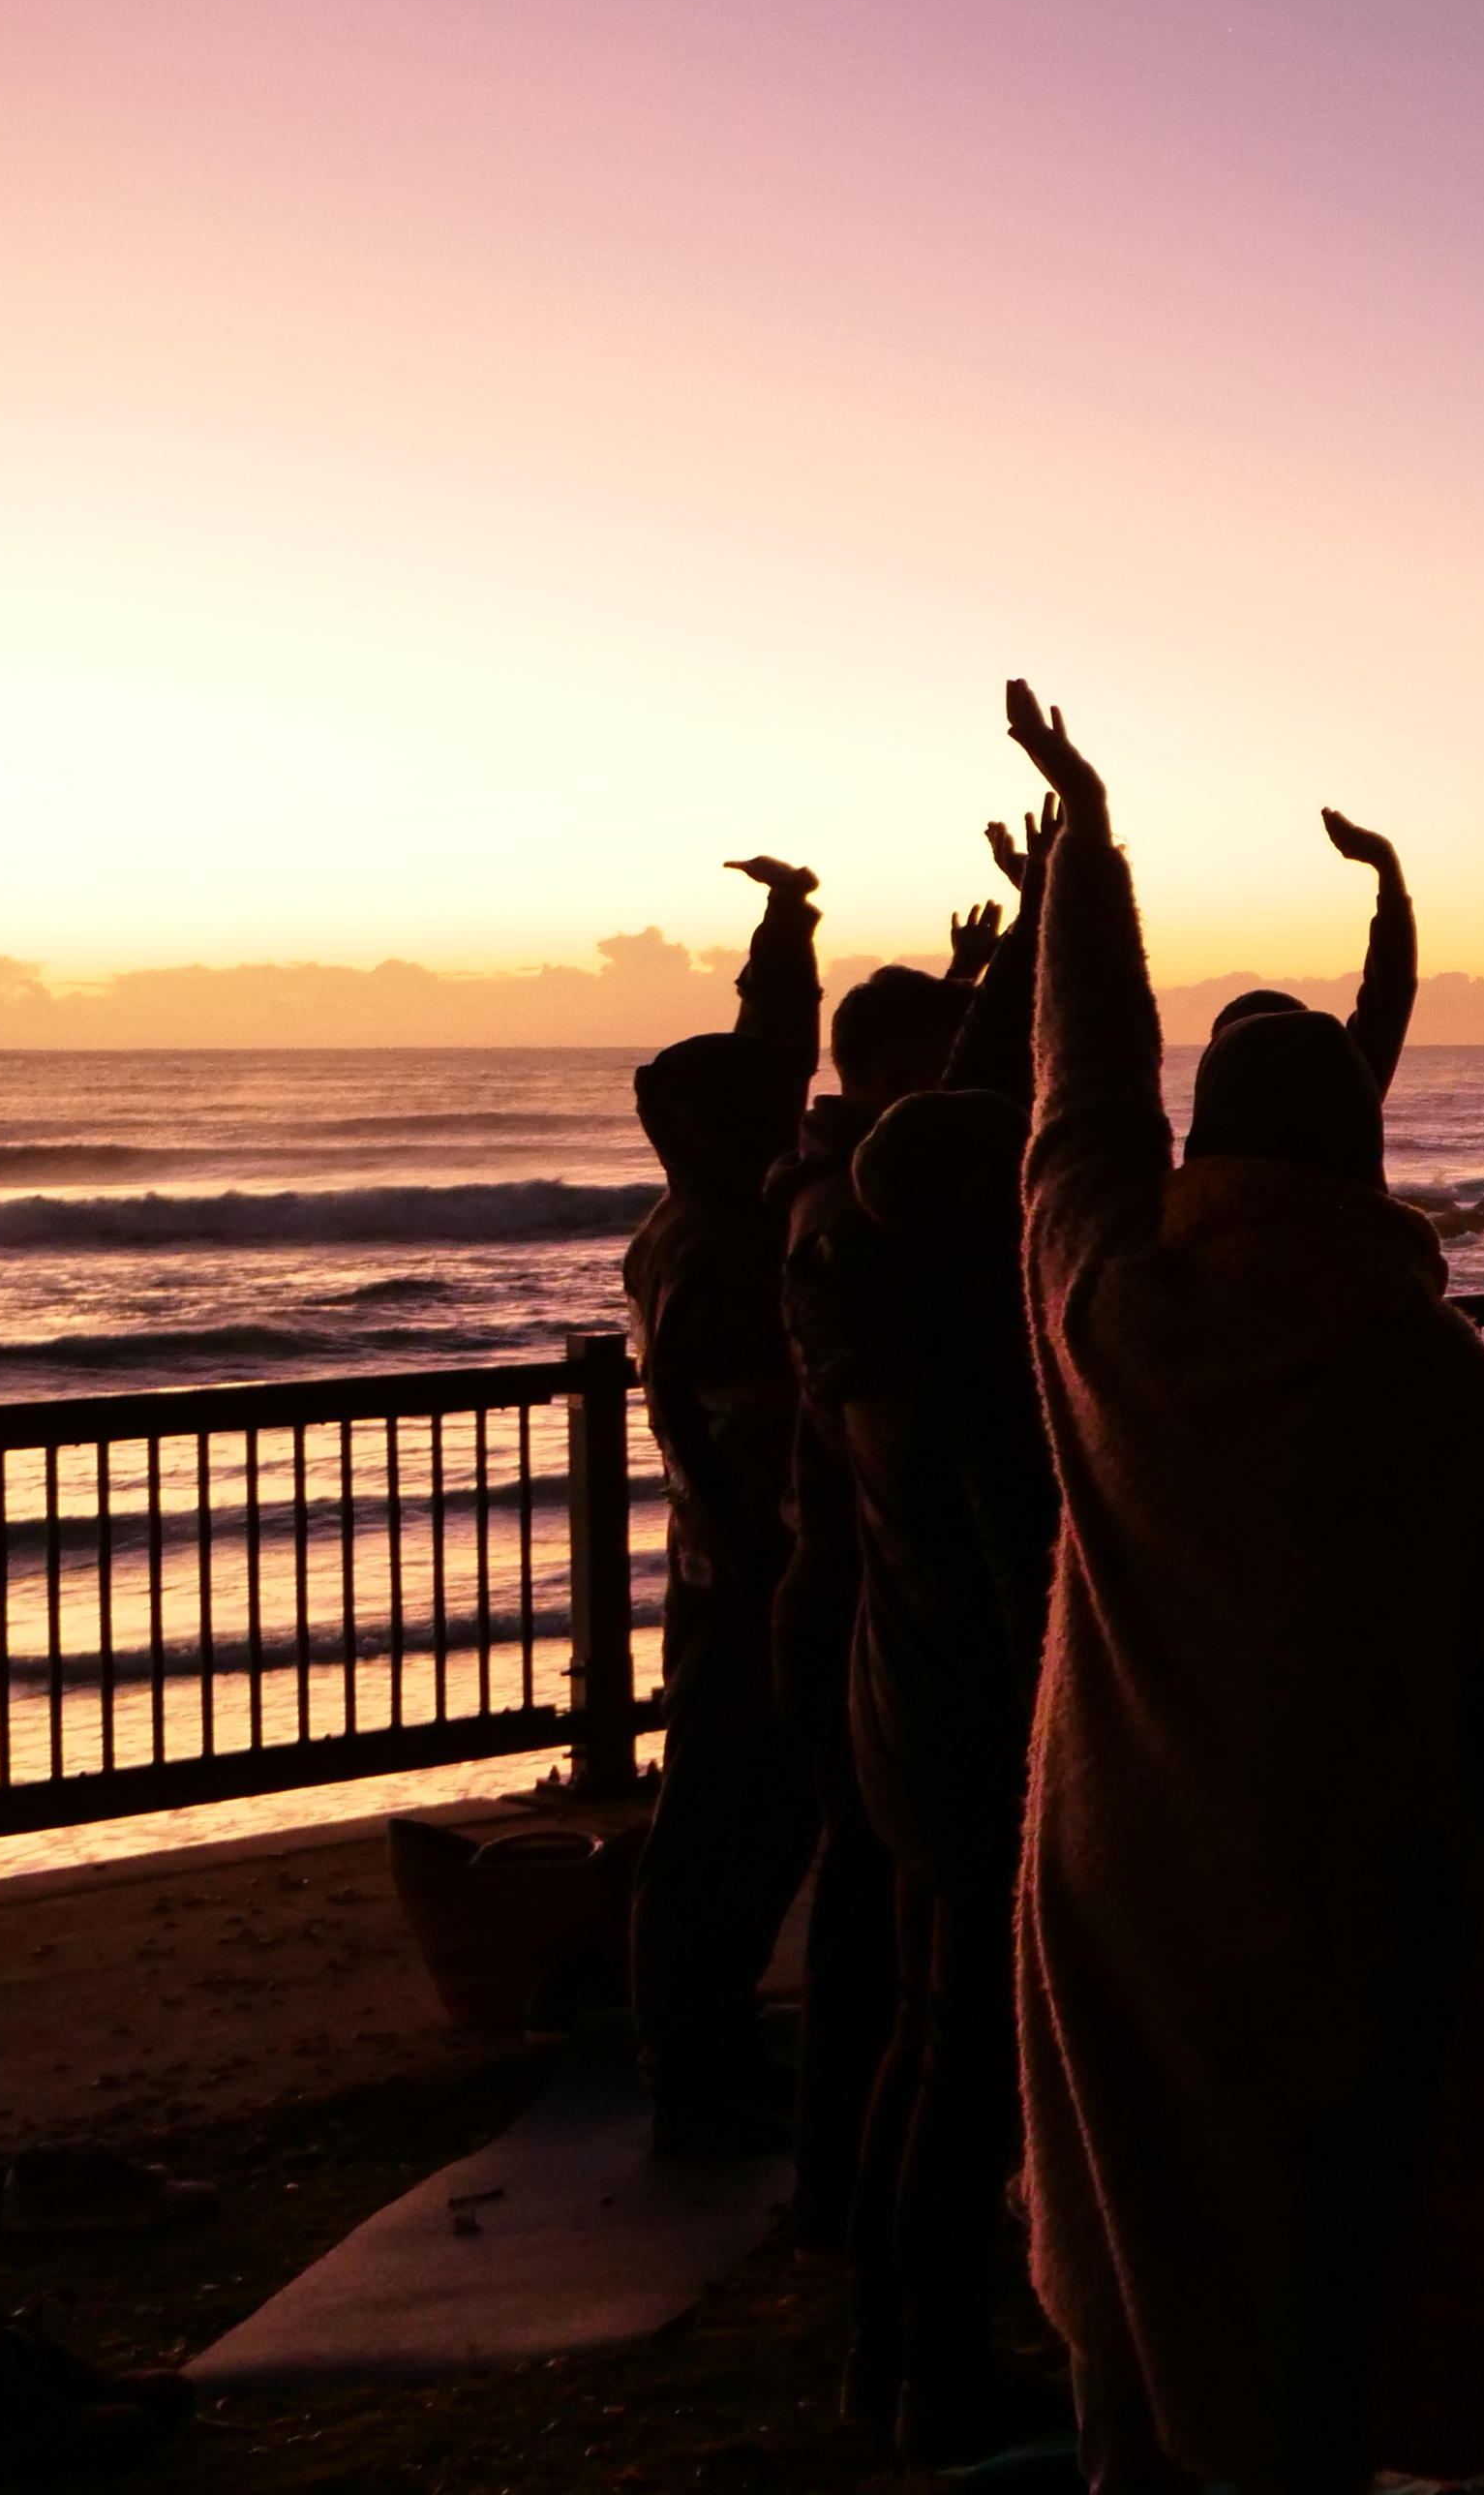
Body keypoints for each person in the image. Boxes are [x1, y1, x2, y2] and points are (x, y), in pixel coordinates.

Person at [998, 682, 1484, 2495]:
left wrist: (1087, 844)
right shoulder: (1423, 1370)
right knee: (1332, 2319)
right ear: (1360, 1150)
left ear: (1201, 1151)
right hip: (1369, 1908)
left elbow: (1077, 1094)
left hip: (1126, 1898)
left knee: (1137, 2294)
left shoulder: (1106, 1305)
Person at [827, 805, 1072, 2459]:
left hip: (898, 1719)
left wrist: (1040, 912)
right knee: (967, 2057)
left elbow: (939, 1120)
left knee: (924, 2032)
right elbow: (1017, 1583)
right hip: (985, 1746)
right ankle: (936, 2354)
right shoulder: (972, 1373)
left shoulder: (860, 1281)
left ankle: (888, 2341)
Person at [769, 927, 989, 2261]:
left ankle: (849, 2206)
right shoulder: (862, 1230)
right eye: (952, 1065)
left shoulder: (839, 1194)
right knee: (892, 1947)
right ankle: (866, 2222)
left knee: (892, 1935)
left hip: (865, 1603)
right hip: (880, 1612)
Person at [622, 853, 827, 2159]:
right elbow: (697, 1429)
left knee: (749, 1817)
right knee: (722, 1825)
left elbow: (776, 1048)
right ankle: (693, 2059)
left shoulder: (706, 1212)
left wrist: (788, 919)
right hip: (747, 1574)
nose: (783, 1110)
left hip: (744, 1567)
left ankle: (709, 2041)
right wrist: (765, 1560)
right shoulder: (713, 1245)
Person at [1207, 806, 1421, 1093]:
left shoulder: (1221, 1118)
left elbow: (1390, 994)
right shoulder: (1335, 1107)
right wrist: (1385, 864)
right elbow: (1391, 993)